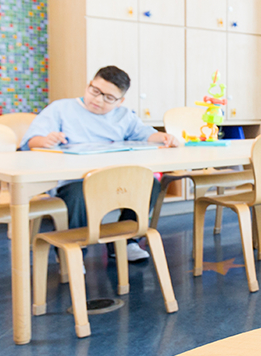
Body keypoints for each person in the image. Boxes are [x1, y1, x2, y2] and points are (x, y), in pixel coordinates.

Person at [21, 65, 176, 262]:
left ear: (120, 101)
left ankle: (126, 240)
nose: (98, 99)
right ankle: (73, 250)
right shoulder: (61, 109)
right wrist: (46, 140)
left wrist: (165, 137)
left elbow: (146, 134)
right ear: (89, 85)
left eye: (109, 98)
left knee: (149, 185)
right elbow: (32, 141)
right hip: (74, 181)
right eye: (95, 91)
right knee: (77, 194)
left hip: (112, 179)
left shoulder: (124, 116)